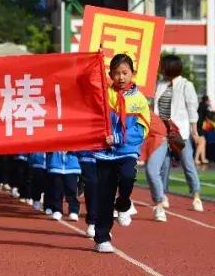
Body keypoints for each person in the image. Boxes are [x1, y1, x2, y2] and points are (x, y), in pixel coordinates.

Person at [92, 54, 149, 254]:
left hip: (126, 151)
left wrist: (119, 138)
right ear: (110, 75)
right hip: (104, 153)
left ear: (133, 74)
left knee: (127, 178)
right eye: (116, 74)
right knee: (104, 196)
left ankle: (123, 203)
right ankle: (102, 238)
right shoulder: (104, 94)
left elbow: (142, 129)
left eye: (125, 73)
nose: (121, 77)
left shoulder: (139, 99)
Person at [146, 54, 203, 220]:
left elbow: (192, 109)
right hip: (161, 131)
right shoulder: (160, 85)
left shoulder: (186, 85)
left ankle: (196, 196)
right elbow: (152, 105)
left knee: (188, 163)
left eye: (163, 66)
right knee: (163, 165)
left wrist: (194, 131)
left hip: (180, 133)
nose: (160, 69)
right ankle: (162, 195)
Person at [45, 151, 81, 222]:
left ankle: (73, 211)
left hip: (71, 167)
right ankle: (57, 210)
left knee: (71, 190)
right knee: (57, 190)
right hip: (56, 166)